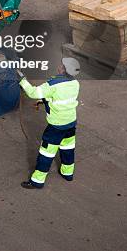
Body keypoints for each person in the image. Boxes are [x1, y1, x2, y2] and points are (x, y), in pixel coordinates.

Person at [18, 57, 80, 189]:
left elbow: (33, 93)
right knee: (68, 149)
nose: (58, 66)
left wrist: (22, 80)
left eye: (61, 65)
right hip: (70, 124)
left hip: (56, 127)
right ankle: (67, 173)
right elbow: (61, 98)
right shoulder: (75, 83)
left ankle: (37, 181)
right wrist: (45, 101)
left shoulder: (52, 84)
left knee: (46, 153)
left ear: (63, 69)